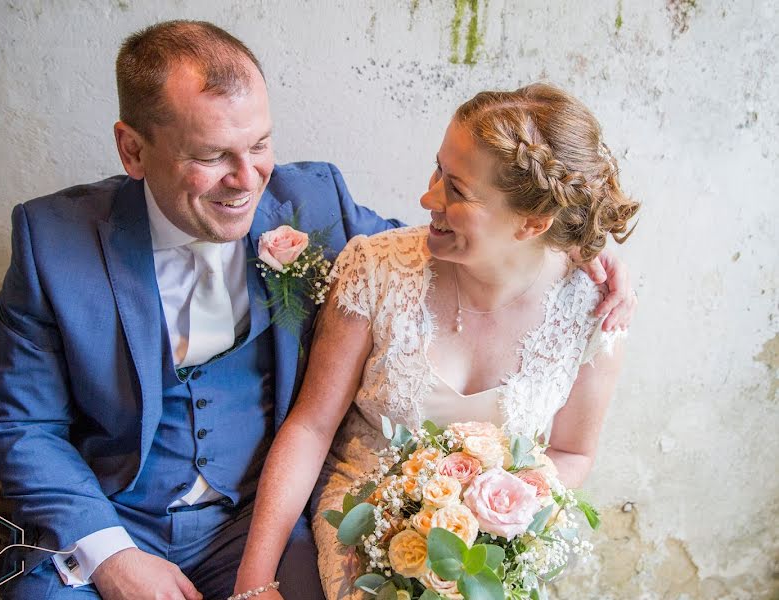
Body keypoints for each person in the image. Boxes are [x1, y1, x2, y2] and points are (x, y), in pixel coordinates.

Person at [0, 19, 633, 600]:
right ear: (133, 150)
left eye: (259, 144)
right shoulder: (51, 243)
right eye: (211, 156)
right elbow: (19, 426)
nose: (247, 179)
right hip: (112, 520)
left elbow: (449, 246)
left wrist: (576, 250)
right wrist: (111, 555)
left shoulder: (314, 202)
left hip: (257, 522)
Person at [234, 83, 639, 599]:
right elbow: (311, 427)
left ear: (533, 223)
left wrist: (498, 524)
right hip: (362, 527)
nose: (428, 198)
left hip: (486, 556)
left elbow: (571, 452)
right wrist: (253, 583)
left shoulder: (595, 312)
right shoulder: (375, 269)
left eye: (457, 190)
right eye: (438, 171)